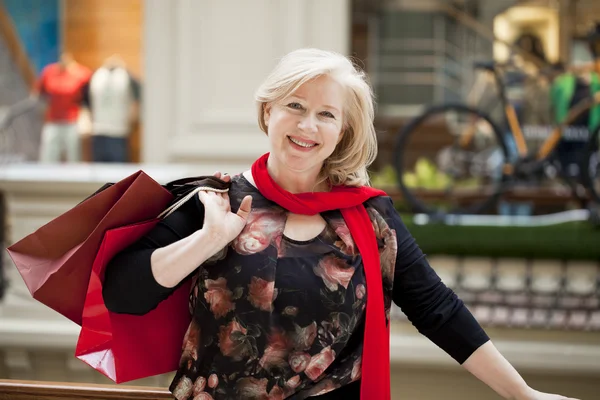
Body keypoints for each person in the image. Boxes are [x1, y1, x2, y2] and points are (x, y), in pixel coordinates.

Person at [102, 49, 579, 400]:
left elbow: (439, 310)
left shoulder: (370, 219)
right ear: (268, 111)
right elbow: (122, 295)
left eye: (326, 114)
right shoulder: (216, 200)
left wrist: (524, 395)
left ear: (342, 132)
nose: (307, 126)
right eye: (295, 106)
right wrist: (207, 240)